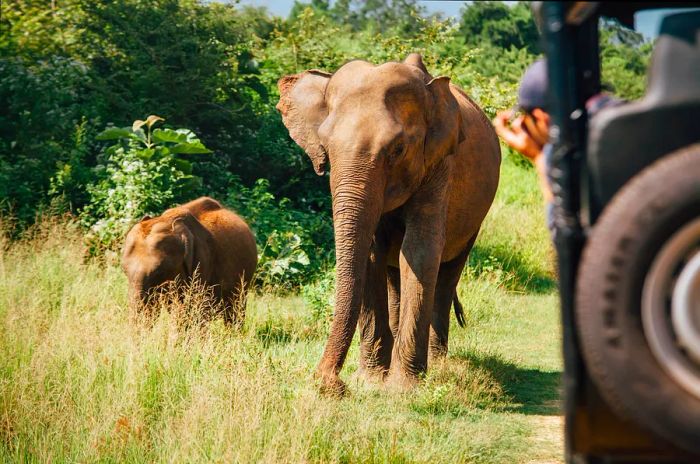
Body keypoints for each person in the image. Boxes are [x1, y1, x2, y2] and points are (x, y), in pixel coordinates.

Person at [492, 58, 623, 237]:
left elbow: (566, 235)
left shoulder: (573, 151)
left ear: (541, 118)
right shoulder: (619, 121)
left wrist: (537, 157)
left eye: (526, 117)